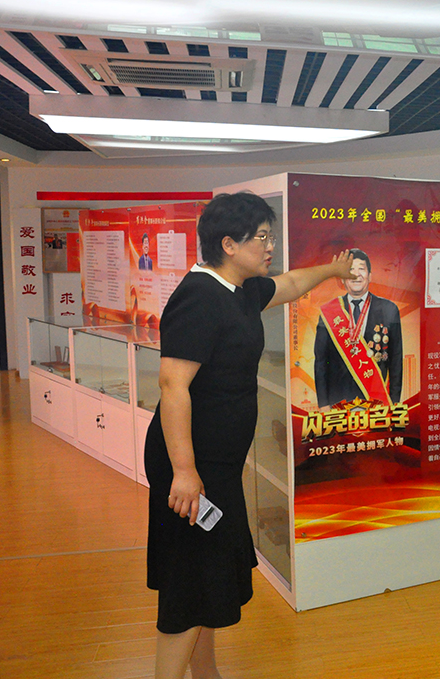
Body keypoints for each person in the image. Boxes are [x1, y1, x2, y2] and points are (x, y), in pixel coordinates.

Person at [144, 191, 356, 679]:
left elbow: (292, 283)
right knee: (190, 583)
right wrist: (184, 471)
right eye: (261, 237)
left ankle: (207, 674)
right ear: (228, 244)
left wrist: (333, 269)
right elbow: (173, 386)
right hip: (192, 465)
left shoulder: (240, 290)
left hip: (216, 464)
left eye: (270, 236)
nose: (270, 246)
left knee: (206, 577)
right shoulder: (199, 297)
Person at [313, 249, 403, 407]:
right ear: (342, 278)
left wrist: (394, 402)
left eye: (361, 269)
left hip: (377, 401)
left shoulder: (389, 309)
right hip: (338, 401)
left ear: (370, 276)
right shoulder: (329, 312)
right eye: (351, 269)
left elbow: (396, 359)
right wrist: (323, 404)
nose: (356, 274)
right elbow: (320, 361)